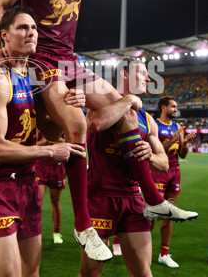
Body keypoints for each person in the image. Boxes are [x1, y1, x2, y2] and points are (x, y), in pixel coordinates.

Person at [0, 0, 193, 261]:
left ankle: (155, 201)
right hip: (42, 64)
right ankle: (83, 225)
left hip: (70, 61)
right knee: (78, 122)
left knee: (128, 108)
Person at [0, 6, 86, 276]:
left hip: (28, 185)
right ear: (5, 36)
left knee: (31, 272)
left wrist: (72, 105)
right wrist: (48, 154)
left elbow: (50, 133)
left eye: (34, 28)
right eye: (23, 28)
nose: (32, 33)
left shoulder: (34, 81)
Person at [79, 57, 170, 277]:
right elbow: (95, 123)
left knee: (142, 273)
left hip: (132, 199)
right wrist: (128, 100)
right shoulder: (99, 103)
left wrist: (150, 156)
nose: (149, 78)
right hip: (100, 196)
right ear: (125, 75)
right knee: (90, 273)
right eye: (142, 73)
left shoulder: (147, 119)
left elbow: (164, 162)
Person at [150, 96, 197, 269]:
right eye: (173, 107)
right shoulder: (153, 124)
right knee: (153, 214)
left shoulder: (177, 127)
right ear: (163, 107)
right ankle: (141, 249)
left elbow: (182, 155)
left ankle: (164, 253)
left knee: (169, 213)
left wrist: (184, 143)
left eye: (176, 107)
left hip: (175, 172)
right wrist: (174, 138)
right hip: (158, 171)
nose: (176, 109)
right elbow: (156, 150)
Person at [35, 131, 67, 244]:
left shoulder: (62, 124)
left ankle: (57, 232)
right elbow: (32, 145)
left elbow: (71, 143)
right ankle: (33, 231)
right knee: (37, 202)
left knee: (55, 201)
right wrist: (45, 141)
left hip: (57, 167)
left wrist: (57, 139)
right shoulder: (38, 123)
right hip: (40, 165)